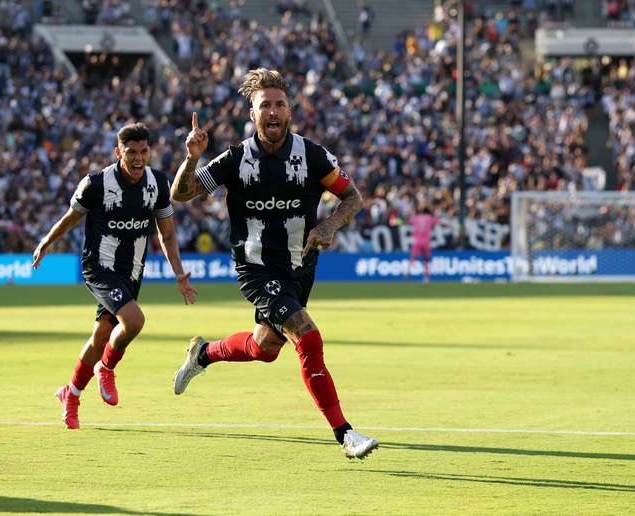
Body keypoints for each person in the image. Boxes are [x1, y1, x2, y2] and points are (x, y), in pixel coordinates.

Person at [170, 68, 378, 459]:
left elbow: (352, 197)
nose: (273, 111)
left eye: (279, 104)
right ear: (253, 114)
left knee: (265, 347)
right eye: (264, 105)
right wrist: (189, 159)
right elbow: (182, 194)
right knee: (308, 336)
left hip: (301, 266)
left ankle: (203, 354)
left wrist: (329, 224)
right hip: (256, 267)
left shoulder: (313, 156)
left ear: (290, 110)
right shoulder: (235, 159)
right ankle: (345, 435)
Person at [32, 123, 197, 429]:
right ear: (118, 152)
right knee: (134, 321)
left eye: (144, 151)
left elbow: (168, 234)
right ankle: (106, 367)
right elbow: (71, 218)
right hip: (98, 267)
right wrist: (46, 242)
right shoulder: (96, 183)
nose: (138, 158)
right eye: (131, 152)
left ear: (150, 151)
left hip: (131, 272)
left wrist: (178, 274)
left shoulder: (157, 183)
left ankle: (71, 393)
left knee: (99, 336)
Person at [407, 205, 439, 283]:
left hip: (417, 241)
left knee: (413, 257)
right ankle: (426, 278)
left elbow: (406, 222)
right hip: (426, 241)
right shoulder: (430, 218)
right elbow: (440, 223)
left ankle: (408, 271)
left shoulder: (416, 218)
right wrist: (453, 225)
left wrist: (395, 221)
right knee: (427, 260)